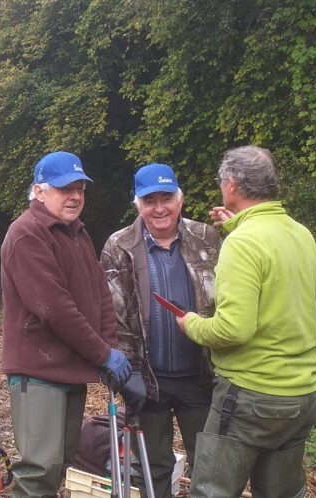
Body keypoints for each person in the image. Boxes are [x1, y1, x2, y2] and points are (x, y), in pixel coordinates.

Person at [177, 146, 316, 497]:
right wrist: (236, 224)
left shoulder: (243, 243)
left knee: (211, 491)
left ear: (231, 185)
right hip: (303, 395)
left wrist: (192, 324)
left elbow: (233, 329)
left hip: (253, 396)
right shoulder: (300, 234)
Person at [0, 151, 130, 497]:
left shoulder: (77, 233)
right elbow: (55, 309)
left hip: (70, 369)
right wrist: (102, 354)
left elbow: (100, 293)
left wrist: (110, 348)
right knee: (39, 469)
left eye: (80, 189)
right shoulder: (27, 235)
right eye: (64, 189)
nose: (75, 196)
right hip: (38, 370)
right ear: (39, 192)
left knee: (63, 462)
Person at [100, 164, 221, 497]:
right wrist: (129, 373)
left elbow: (228, 303)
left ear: (179, 199)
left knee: (210, 467)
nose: (159, 208)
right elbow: (112, 316)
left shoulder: (207, 239)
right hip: (148, 382)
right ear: (138, 205)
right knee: (152, 469)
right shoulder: (119, 245)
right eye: (149, 200)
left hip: (201, 377)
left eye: (166, 197)